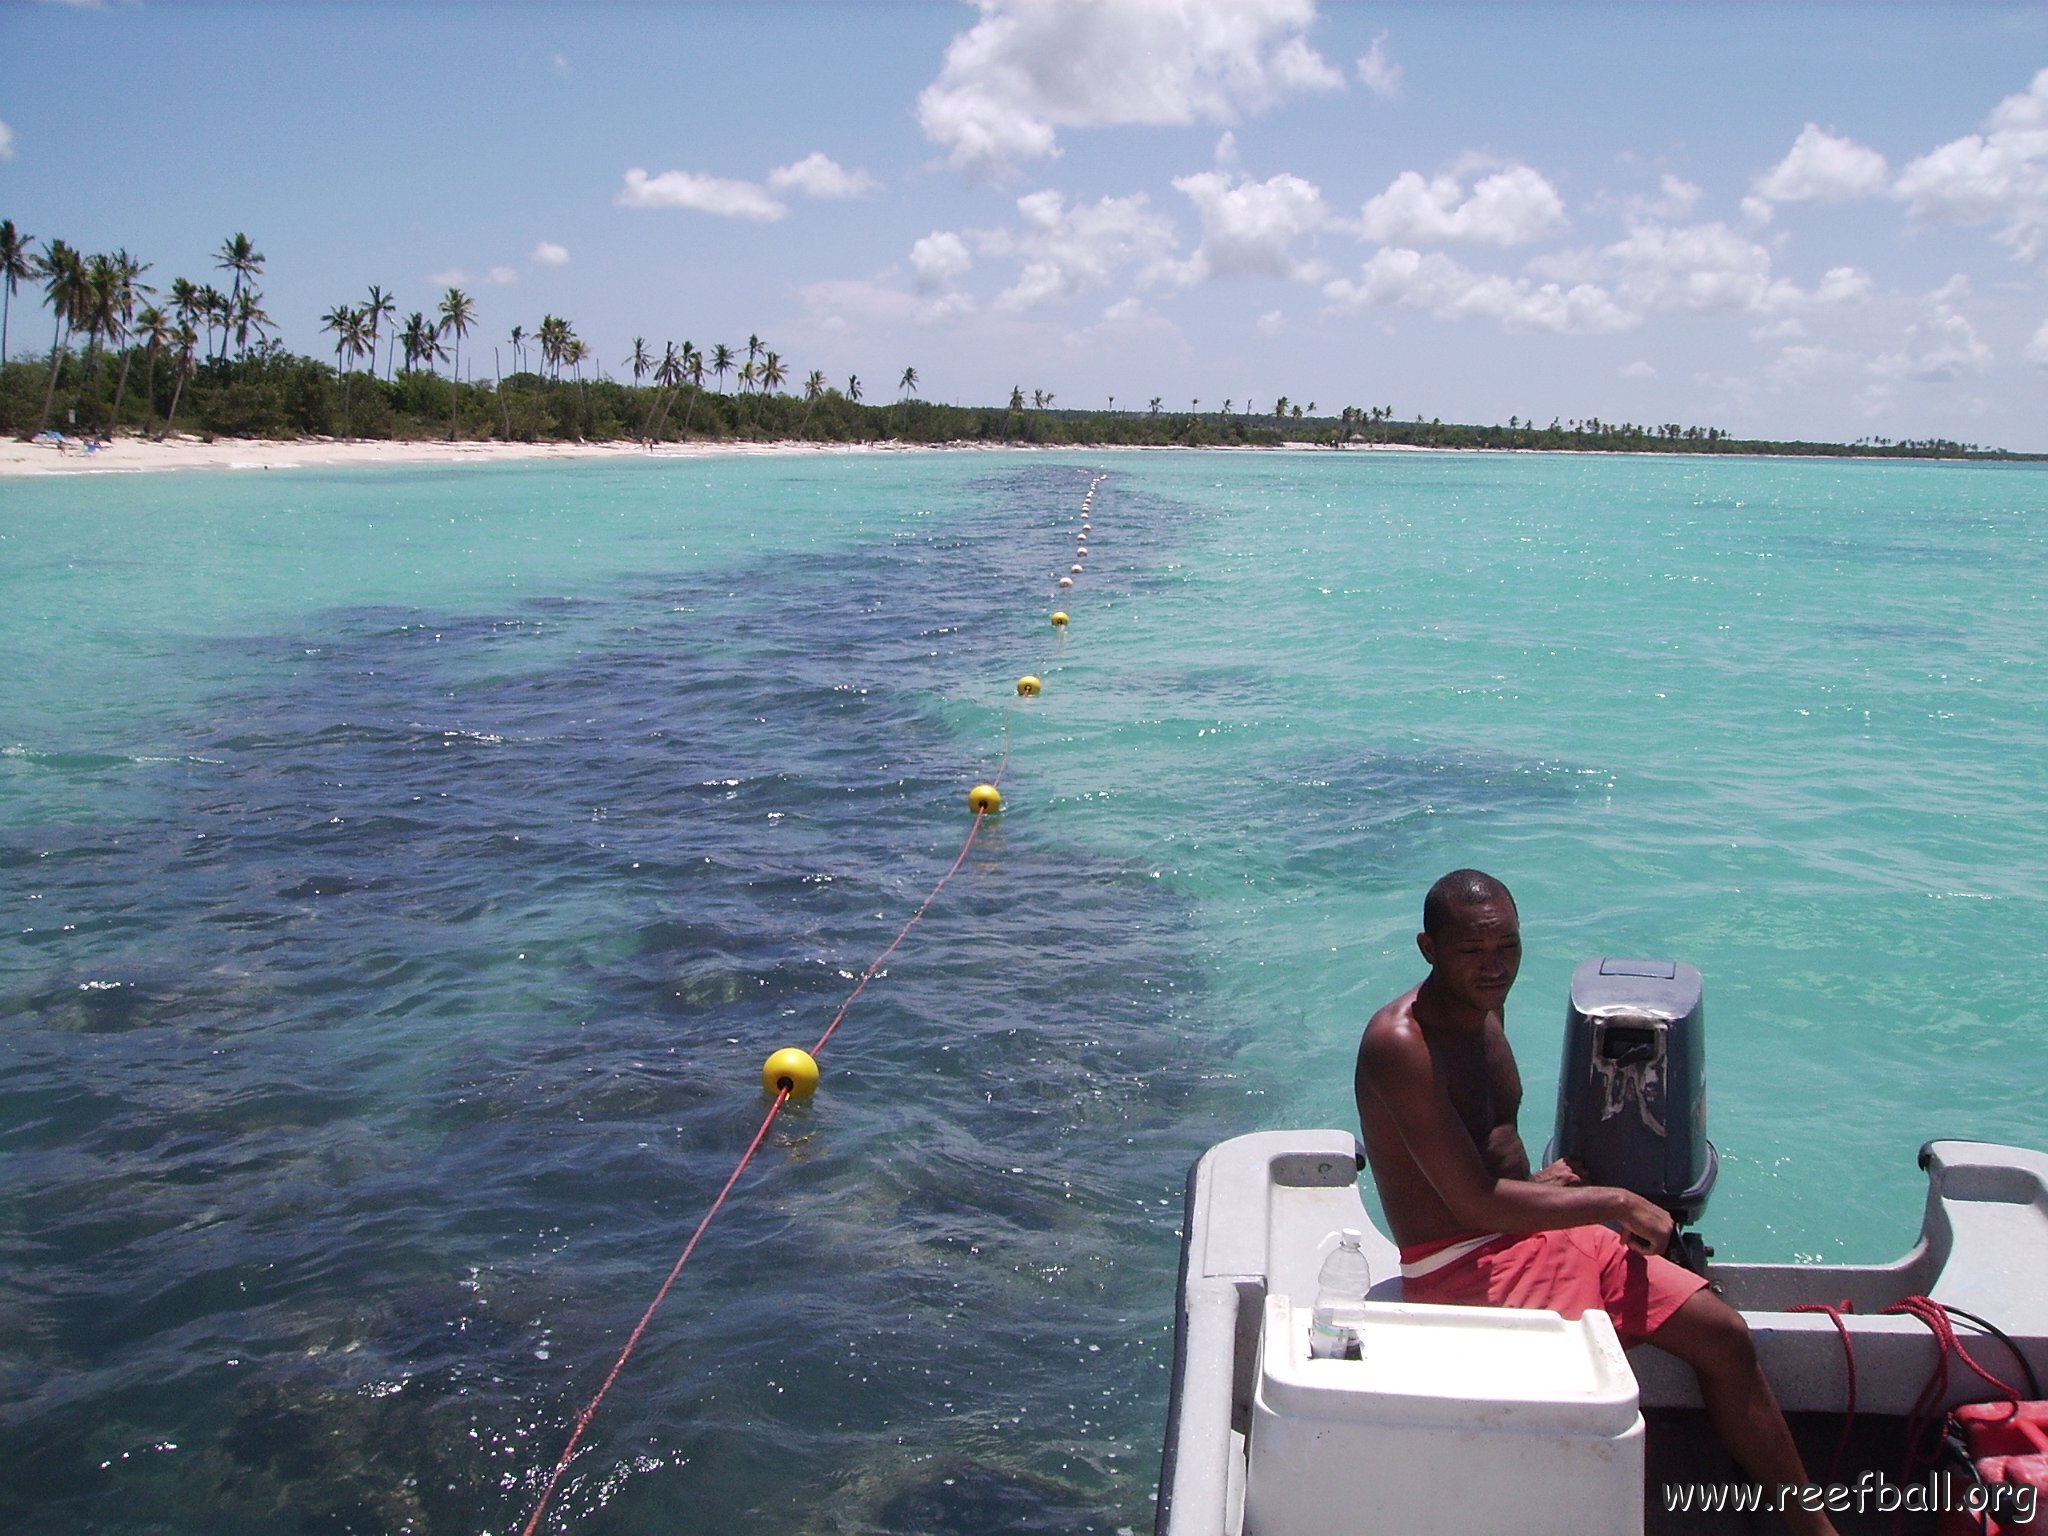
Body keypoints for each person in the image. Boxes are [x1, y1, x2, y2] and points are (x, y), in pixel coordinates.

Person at [1355, 869, 1839, 1536]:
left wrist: (1542, 1185)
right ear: (1428, 949)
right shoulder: (1399, 1046)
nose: (1494, 968)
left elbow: (1487, 1141)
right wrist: (1616, 1202)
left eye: (1509, 948)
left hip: (1530, 1237)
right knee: (1607, 1395)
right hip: (1462, 1268)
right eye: (1471, 952)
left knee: (1724, 1336)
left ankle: (1813, 1529)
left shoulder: (1485, 1004)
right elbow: (1470, 1203)